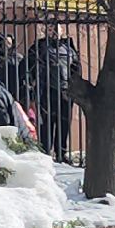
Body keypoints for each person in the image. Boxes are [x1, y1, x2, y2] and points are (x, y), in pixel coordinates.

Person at [24, 23, 82, 160]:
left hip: (65, 91)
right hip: (46, 90)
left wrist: (74, 87)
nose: (54, 31)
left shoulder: (69, 49)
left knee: (64, 123)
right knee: (46, 123)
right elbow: (28, 67)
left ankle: (61, 153)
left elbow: (76, 69)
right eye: (51, 29)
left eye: (57, 28)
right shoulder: (39, 47)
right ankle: (45, 152)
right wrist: (31, 85)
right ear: (46, 31)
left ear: (62, 31)